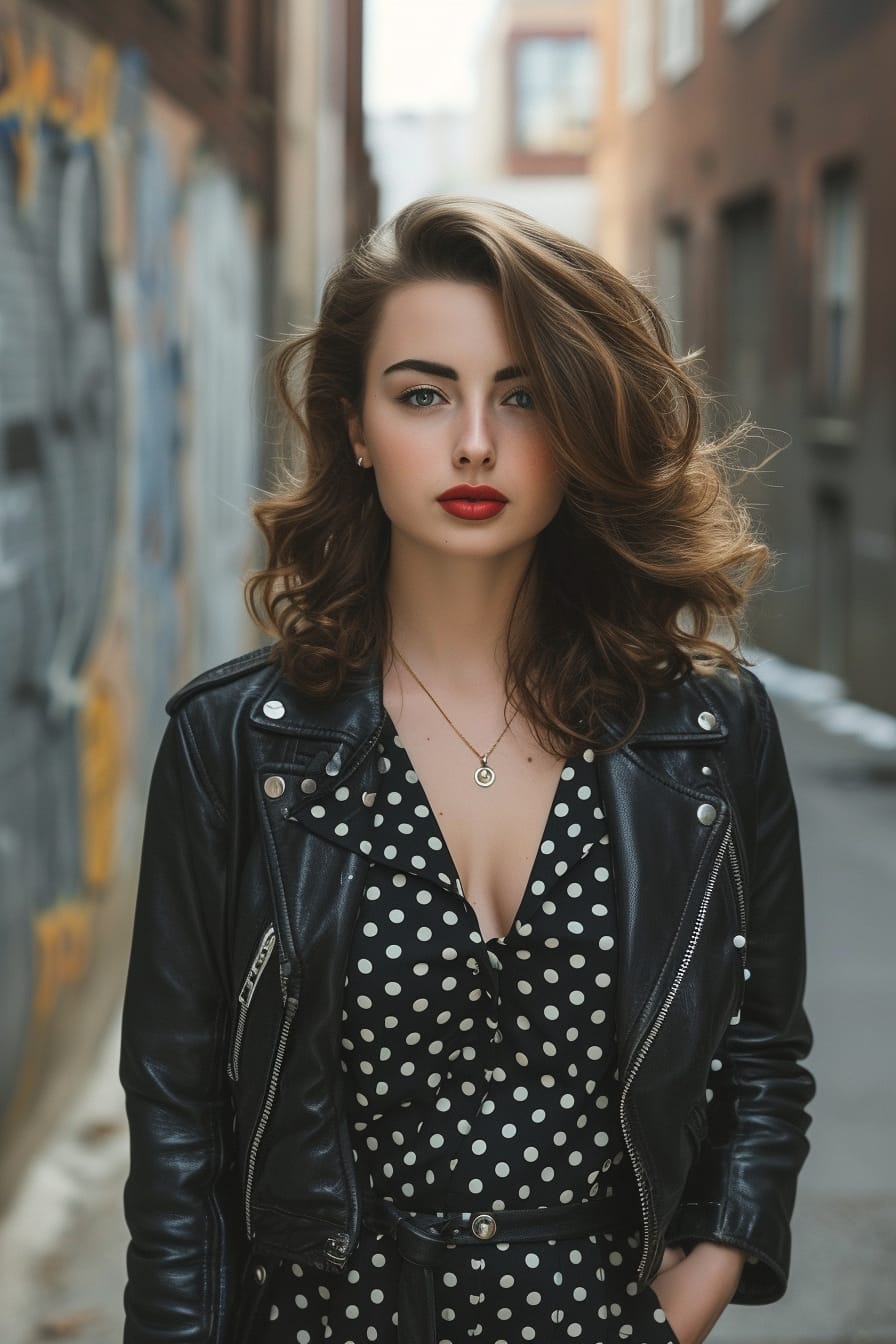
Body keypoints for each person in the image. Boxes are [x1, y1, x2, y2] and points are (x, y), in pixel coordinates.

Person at [120, 196, 814, 1344]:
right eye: (423, 393)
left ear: (582, 424)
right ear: (353, 425)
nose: (475, 442)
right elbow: (177, 1121)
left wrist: (709, 1271)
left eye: (525, 395)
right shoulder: (239, 743)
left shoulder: (703, 732)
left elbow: (761, 1045)